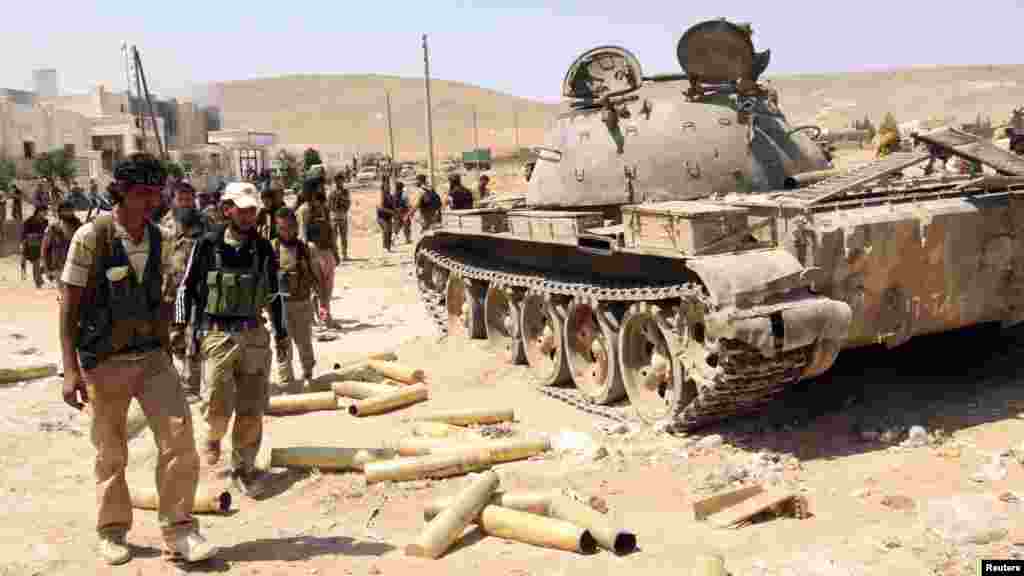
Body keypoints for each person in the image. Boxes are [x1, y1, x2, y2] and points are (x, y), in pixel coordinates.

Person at [58, 153, 218, 565]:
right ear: (122, 193)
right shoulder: (91, 237)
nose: (152, 201)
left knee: (179, 441)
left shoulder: (160, 237)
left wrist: (168, 345)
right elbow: (69, 306)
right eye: (143, 194)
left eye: (155, 193)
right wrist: (71, 369)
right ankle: (112, 531)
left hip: (151, 358)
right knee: (111, 453)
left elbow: (165, 296)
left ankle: (180, 530)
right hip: (105, 361)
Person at [175, 181, 287, 497]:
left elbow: (275, 293)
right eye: (243, 209)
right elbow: (186, 288)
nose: (250, 216)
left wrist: (281, 332)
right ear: (228, 210)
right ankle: (212, 436)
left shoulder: (264, 248)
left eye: (253, 210)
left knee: (252, 408)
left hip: (254, 334)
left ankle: (244, 467)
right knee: (218, 405)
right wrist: (182, 328)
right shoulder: (207, 245)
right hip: (218, 334)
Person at [271, 207, 327, 393]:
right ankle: (286, 381)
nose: (286, 232)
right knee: (282, 343)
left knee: (304, 341)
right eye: (282, 228)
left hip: (302, 303)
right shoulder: (272, 248)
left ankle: (308, 373)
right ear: (277, 228)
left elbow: (317, 277)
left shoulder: (306, 249)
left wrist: (324, 302)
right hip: (279, 306)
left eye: (289, 227)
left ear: (296, 226)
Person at [164, 187, 207, 403]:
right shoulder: (165, 223)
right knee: (174, 338)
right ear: (174, 199)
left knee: (194, 337)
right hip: (170, 290)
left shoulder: (204, 222)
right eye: (181, 198)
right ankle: (179, 379)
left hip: (194, 291)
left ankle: (192, 386)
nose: (186, 202)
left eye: (189, 198)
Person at [295, 178, 338, 323]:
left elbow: (330, 230)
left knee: (328, 287)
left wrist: (335, 251)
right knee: (319, 288)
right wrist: (305, 256)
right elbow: (302, 235)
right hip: (313, 252)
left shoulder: (324, 208)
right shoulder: (304, 210)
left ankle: (323, 315)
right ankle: (323, 317)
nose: (322, 189)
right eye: (319, 188)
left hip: (327, 251)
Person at [21, 204, 48, 288]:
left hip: (43, 244)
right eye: (44, 211)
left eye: (46, 211)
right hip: (32, 245)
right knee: (36, 263)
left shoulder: (45, 221)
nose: (45, 213)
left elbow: (47, 233)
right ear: (38, 212)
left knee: (45, 263)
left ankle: (39, 278)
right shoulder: (29, 221)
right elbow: (24, 234)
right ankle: (38, 282)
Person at [327, 174, 350, 261]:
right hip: (334, 216)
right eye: (338, 181)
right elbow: (329, 204)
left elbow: (348, 203)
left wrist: (342, 200)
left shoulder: (345, 191)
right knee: (334, 238)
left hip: (343, 216)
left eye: (341, 181)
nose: (339, 182)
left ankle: (344, 254)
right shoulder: (332, 192)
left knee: (343, 237)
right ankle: (335, 255)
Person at [376, 181, 395, 252]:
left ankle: (387, 246)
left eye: (389, 186)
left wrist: (395, 211)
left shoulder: (390, 196)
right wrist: (391, 211)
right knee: (386, 230)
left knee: (389, 231)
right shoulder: (380, 195)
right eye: (386, 186)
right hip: (381, 217)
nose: (388, 187)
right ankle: (386, 246)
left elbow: (393, 206)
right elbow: (379, 207)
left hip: (388, 217)